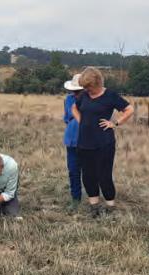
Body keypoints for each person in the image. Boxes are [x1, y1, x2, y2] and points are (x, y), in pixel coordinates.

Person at [72, 67, 134, 218]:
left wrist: (115, 123)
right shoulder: (84, 95)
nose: (86, 90)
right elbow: (74, 107)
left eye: (89, 87)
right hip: (84, 143)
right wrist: (82, 121)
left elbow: (129, 109)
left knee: (104, 175)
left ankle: (110, 206)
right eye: (85, 87)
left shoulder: (110, 96)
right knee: (87, 175)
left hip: (104, 144)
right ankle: (94, 207)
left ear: (98, 83)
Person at [63, 74, 84, 213]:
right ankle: (75, 199)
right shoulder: (68, 99)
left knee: (91, 171)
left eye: (78, 90)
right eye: (73, 90)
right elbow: (66, 118)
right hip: (71, 140)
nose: (75, 93)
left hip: (88, 140)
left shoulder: (92, 99)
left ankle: (95, 198)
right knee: (73, 170)